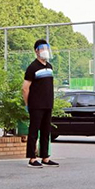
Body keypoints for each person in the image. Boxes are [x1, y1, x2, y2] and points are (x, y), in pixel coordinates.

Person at [22, 39, 59, 168]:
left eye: (46, 48)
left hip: (48, 104)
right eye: (42, 48)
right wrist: (28, 104)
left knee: (46, 132)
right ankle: (32, 158)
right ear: (36, 51)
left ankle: (45, 157)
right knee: (34, 131)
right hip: (36, 105)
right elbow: (25, 88)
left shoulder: (49, 67)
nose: (45, 51)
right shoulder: (32, 68)